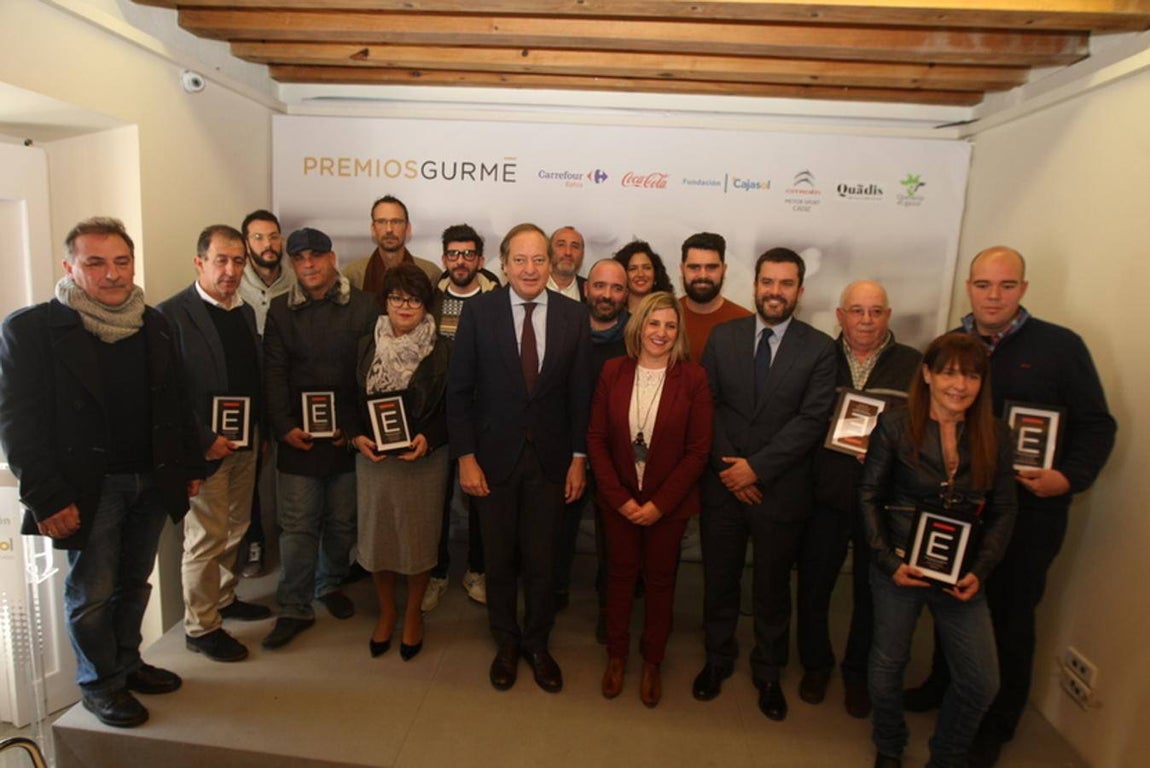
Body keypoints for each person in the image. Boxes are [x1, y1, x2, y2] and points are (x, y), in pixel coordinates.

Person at [903, 246, 1116, 767]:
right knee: (952, 599)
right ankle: (943, 683)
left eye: (1005, 285)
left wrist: (1068, 477)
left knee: (1011, 617)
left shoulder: (1060, 347)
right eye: (983, 285)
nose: (993, 296)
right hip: (961, 510)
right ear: (969, 288)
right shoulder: (954, 346)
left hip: (1030, 513)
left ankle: (996, 723)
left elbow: (1097, 425)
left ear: (1023, 288)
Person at [0, 217, 204, 728]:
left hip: (150, 479)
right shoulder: (31, 330)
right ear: (69, 266)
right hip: (86, 488)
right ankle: (99, 684)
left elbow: (175, 403)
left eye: (121, 262)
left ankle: (128, 664)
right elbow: (17, 423)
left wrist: (188, 466)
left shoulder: (153, 323)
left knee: (134, 582)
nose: (112, 274)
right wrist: (46, 498)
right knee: (91, 593)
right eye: (95, 263)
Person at [447, 223, 592, 694]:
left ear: (551, 264)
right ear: (504, 265)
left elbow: (581, 395)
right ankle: (506, 642)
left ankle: (537, 642)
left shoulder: (574, 316)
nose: (530, 269)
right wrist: (466, 457)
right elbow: (458, 392)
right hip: (492, 460)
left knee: (543, 560)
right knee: (499, 559)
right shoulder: (479, 312)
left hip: (552, 461)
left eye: (539, 259)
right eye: (520, 260)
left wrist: (579, 457)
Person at [860, 333, 1018, 768]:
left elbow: (1004, 509)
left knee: (982, 682)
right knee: (888, 666)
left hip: (962, 576)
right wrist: (888, 562)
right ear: (927, 374)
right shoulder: (895, 425)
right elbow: (869, 496)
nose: (959, 385)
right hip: (899, 567)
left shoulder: (997, 434)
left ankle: (946, 756)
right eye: (949, 373)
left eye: (971, 376)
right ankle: (889, 744)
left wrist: (980, 570)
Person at [694, 247, 837, 722]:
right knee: (719, 580)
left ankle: (769, 671)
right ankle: (717, 658)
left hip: (780, 489)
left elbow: (812, 420)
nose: (775, 292)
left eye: (785, 283)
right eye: (768, 282)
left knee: (773, 589)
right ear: (754, 285)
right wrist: (730, 469)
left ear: (800, 290)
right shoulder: (724, 337)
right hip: (723, 485)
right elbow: (707, 405)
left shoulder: (819, 348)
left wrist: (755, 469)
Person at [797, 280, 921, 717]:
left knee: (872, 595)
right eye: (856, 311)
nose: (866, 320)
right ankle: (815, 665)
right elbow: (803, 421)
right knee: (813, 588)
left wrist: (891, 449)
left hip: (883, 502)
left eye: (875, 311)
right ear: (840, 315)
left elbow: (922, 431)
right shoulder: (819, 357)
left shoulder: (913, 365)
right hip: (825, 495)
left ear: (888, 316)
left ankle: (856, 674)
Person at [587, 292, 712, 707]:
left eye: (670, 326)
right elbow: (596, 439)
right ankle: (617, 655)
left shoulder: (693, 378)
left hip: (668, 507)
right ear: (638, 326)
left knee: (661, 582)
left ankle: (653, 660)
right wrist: (620, 499)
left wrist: (659, 505)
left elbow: (698, 452)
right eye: (654, 323)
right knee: (620, 577)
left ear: (679, 333)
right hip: (619, 501)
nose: (661, 332)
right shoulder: (613, 371)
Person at [261, 227, 379, 649]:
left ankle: (329, 583)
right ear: (292, 264)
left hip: (346, 436)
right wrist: (283, 426)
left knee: (343, 521)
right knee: (297, 526)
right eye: (299, 258)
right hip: (298, 436)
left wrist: (354, 429)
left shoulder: (364, 306)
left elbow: (370, 373)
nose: (308, 264)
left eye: (316, 255)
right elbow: (273, 373)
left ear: (332, 258)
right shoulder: (280, 310)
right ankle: (294, 605)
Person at [158, 225, 270, 664]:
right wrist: (204, 440)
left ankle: (223, 598)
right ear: (199, 262)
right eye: (221, 260)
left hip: (245, 442)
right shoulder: (170, 316)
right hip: (204, 449)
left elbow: (252, 377)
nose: (230, 270)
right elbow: (167, 394)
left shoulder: (244, 312)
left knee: (236, 527)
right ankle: (201, 627)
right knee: (205, 537)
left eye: (238, 261)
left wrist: (259, 432)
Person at [348, 264, 452, 661]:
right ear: (385, 301)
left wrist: (431, 438)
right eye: (397, 298)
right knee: (379, 539)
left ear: (426, 305)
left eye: (414, 299)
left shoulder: (442, 349)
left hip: (423, 460)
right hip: (374, 460)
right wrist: (356, 435)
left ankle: (412, 614)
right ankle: (387, 612)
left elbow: (455, 406)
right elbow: (348, 396)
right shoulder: (365, 344)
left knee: (417, 539)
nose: (404, 306)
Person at [424, 223, 500, 610]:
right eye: (453, 254)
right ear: (444, 259)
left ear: (480, 260)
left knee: (480, 499)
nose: (460, 261)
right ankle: (435, 573)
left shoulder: (496, 302)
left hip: (482, 416)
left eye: (468, 254)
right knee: (435, 500)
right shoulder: (429, 301)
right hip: (437, 415)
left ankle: (477, 570)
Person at [236, 209, 294, 579]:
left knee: (289, 475)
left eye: (273, 236)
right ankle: (255, 542)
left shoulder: (295, 281)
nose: (267, 244)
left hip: (289, 391)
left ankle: (294, 547)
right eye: (258, 237)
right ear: (246, 243)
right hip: (249, 395)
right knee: (250, 476)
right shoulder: (234, 284)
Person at [343, 195, 441, 304]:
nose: (389, 229)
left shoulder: (430, 273)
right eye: (381, 221)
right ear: (373, 228)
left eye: (396, 222)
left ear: (408, 228)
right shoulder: (353, 275)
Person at [677, 232, 751, 362]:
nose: (703, 275)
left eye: (711, 267)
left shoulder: (747, 323)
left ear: (724, 270)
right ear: (682, 269)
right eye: (694, 267)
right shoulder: (662, 318)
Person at [614, 240, 673, 313]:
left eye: (646, 268)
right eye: (633, 269)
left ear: (656, 273)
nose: (640, 274)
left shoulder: (668, 312)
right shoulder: (613, 315)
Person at [546, 225, 586, 300]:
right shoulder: (534, 285)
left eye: (575, 246)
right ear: (550, 250)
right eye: (561, 245)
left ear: (582, 254)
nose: (568, 252)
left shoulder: (589, 290)